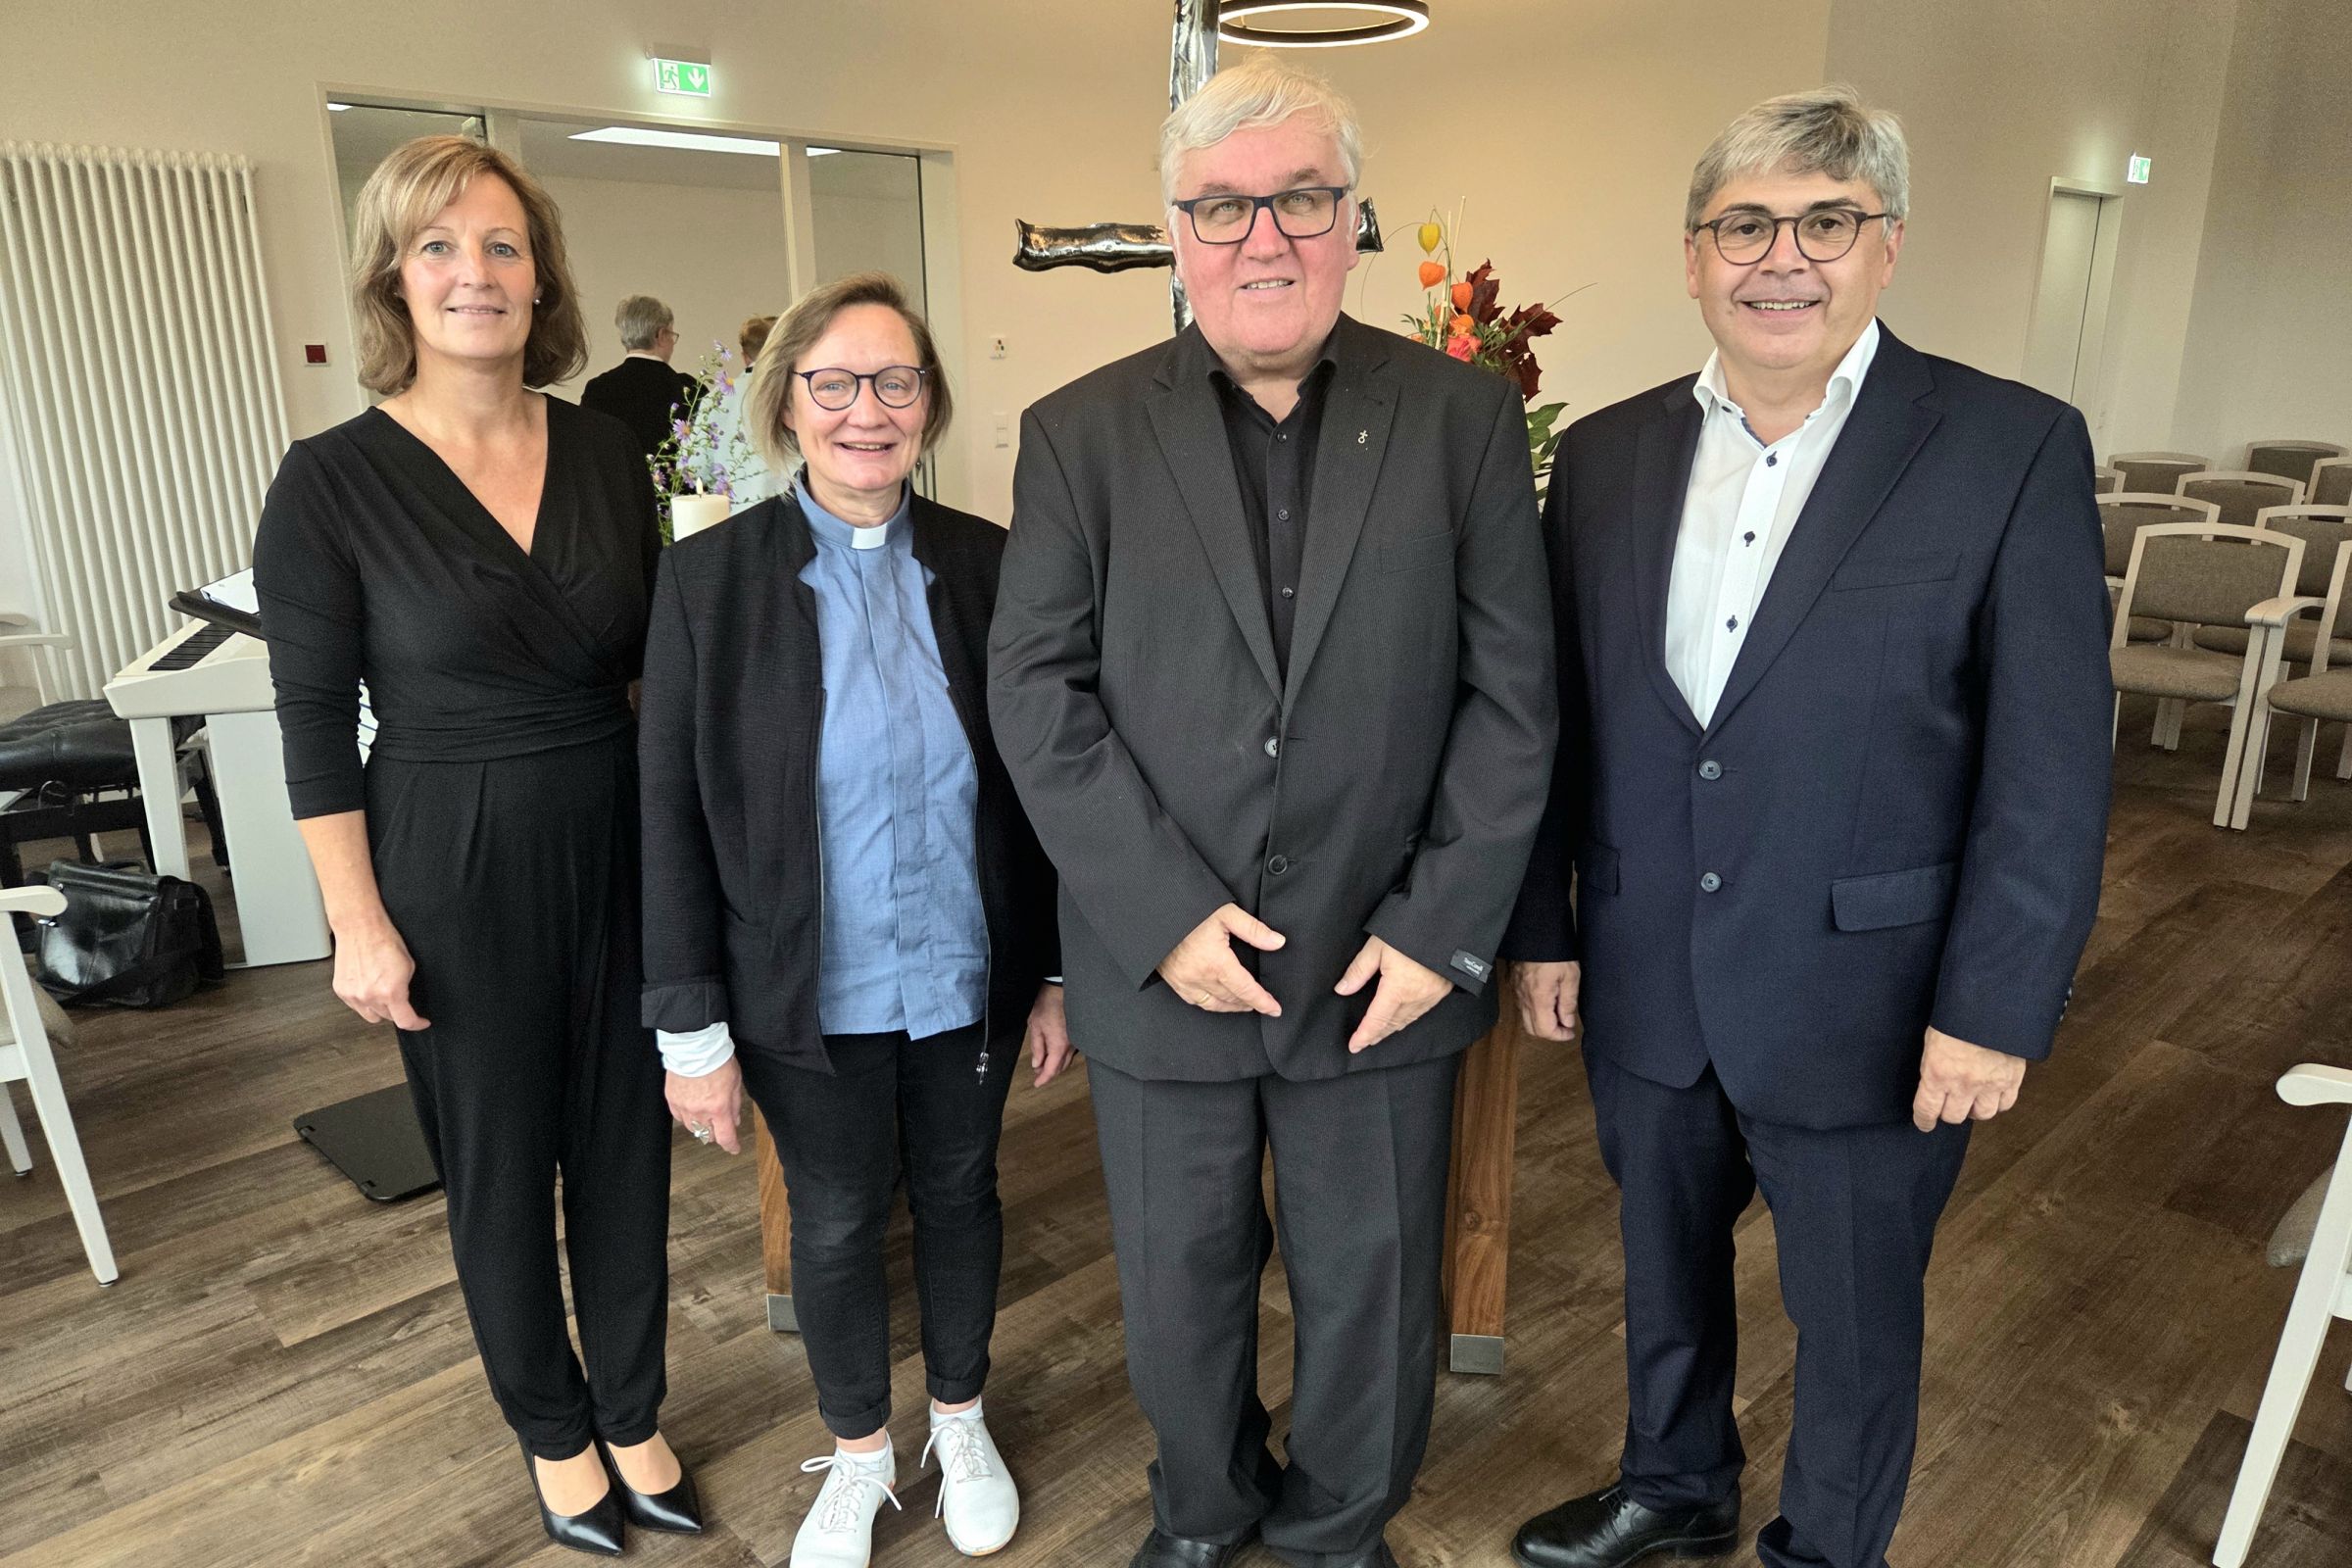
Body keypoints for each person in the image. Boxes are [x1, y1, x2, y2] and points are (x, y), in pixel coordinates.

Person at [1502, 87, 2111, 1568]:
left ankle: (1826, 1547)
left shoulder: (2005, 446)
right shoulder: (1607, 457)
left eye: (1825, 223)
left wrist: (1994, 1008)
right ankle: (1676, 1482)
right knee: (1664, 1264)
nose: (1783, 260)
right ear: (1695, 256)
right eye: (1746, 226)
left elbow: (2050, 767)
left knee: (1850, 1309)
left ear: (1885, 246)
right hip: (1649, 960)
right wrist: (1545, 927)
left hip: (1877, 996)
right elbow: (1558, 723)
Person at [988, 58, 1556, 1568]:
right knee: (1180, 1281)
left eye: (1299, 199)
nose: (1263, 237)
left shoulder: (1464, 419)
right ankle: (1204, 1509)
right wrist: (1162, 915)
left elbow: (1516, 698)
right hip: (1158, 954)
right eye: (1224, 207)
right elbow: (1038, 697)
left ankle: (1335, 1532)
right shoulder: (1079, 433)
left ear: (1350, 218)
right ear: (1177, 231)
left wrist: (1444, 931)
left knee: (1373, 1285)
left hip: (1386, 959)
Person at [252, 136, 698, 1556]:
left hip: (620, 831)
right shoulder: (328, 481)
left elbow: (653, 672)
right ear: (394, 274)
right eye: (439, 246)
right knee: (501, 1162)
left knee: (630, 1145)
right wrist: (356, 924)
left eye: (502, 245)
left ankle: (631, 1405)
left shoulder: (611, 451)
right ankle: (553, 1430)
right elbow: (315, 725)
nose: (474, 274)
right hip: (448, 853)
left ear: (542, 275)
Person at [641, 271, 1068, 1568]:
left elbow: (1043, 789)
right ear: (789, 405)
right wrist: (687, 1026)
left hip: (964, 969)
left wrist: (1051, 972)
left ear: (929, 405)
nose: (865, 411)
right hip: (800, 989)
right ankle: (862, 1452)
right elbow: (664, 811)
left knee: (959, 1192)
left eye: (894, 382)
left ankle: (960, 1421)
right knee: (831, 1218)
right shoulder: (707, 583)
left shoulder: (995, 564)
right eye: (834, 383)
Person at [580, 293, 702, 459]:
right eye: (672, 335)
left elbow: (588, 451)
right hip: (672, 483)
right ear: (660, 335)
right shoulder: (688, 389)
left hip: (616, 484)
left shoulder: (597, 389)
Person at [686, 312, 784, 508]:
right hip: (789, 508)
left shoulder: (714, 399)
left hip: (734, 512)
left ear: (744, 356)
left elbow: (695, 468)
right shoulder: (792, 392)